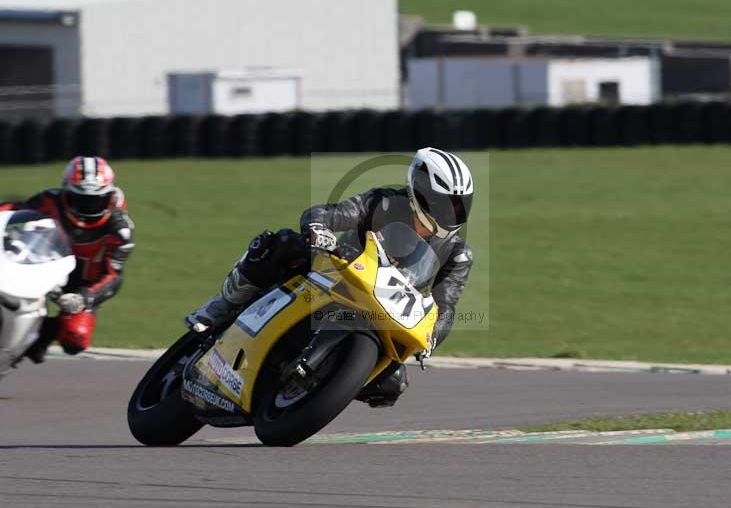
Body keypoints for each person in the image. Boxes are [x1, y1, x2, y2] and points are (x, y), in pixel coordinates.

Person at [186, 147, 474, 407]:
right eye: (444, 202)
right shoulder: (384, 203)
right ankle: (222, 305)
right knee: (280, 244)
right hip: (336, 273)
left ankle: (321, 389)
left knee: (392, 383)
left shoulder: (458, 254)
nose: (451, 212)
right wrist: (319, 229)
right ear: (420, 191)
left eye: (458, 204)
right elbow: (330, 214)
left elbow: (445, 305)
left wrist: (433, 337)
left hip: (385, 310)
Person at [0, 156, 135, 362]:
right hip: (42, 264)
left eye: (96, 199)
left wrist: (85, 297)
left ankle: (41, 335)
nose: (88, 206)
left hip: (83, 283)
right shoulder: (50, 200)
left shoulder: (120, 230)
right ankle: (27, 336)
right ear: (66, 192)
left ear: (109, 195)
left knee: (76, 338)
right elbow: (17, 209)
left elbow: (113, 275)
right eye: (80, 199)